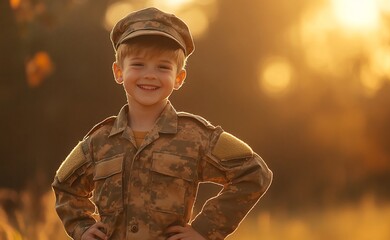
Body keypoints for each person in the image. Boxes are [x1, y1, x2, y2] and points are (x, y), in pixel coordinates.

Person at [52, 7, 272, 240]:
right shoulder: (99, 141)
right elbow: (65, 187)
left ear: (179, 78)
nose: (150, 75)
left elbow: (254, 173)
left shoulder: (195, 136)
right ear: (118, 72)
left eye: (163, 67)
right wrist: (82, 227)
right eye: (138, 64)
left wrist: (204, 229)